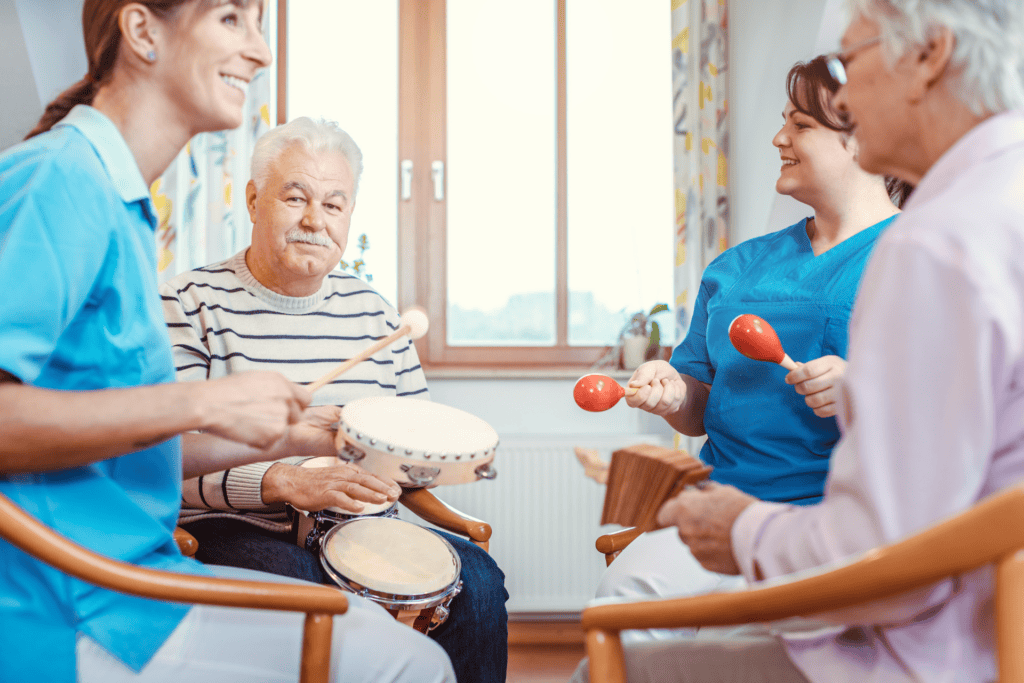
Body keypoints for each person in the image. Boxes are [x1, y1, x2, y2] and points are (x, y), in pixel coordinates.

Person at [0, 2, 454, 682]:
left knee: (392, 643)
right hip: (74, 610)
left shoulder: (119, 200)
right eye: (231, 19)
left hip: (134, 586)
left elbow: (126, 444)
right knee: (407, 665)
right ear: (143, 31)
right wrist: (203, 402)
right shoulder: (63, 180)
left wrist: (302, 433)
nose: (262, 52)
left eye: (260, 24)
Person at [575, 0, 1024, 680]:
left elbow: (886, 560)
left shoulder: (933, 242)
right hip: (964, 615)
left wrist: (742, 530)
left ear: (928, 55)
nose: (847, 92)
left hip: (924, 640)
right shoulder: (993, 203)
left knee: (605, 660)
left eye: (854, 58)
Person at [160, 115, 509, 683]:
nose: (312, 221)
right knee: (303, 585)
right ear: (253, 200)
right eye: (294, 197)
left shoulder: (375, 315)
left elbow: (413, 450)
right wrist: (279, 482)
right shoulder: (190, 302)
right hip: (237, 524)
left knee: (481, 584)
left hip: (365, 525)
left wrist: (453, 461)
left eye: (333, 205)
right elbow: (160, 456)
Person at [594, 56, 909, 627]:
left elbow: (946, 411)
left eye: (801, 125)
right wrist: (674, 393)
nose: (778, 138)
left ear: (861, 137)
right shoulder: (735, 268)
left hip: (837, 523)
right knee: (623, 600)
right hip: (720, 509)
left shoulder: (915, 255)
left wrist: (863, 391)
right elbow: (698, 408)